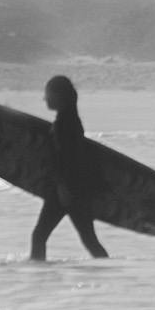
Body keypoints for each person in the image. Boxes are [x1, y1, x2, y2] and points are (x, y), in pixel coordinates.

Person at [29, 71, 107, 263]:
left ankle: (38, 276)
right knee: (89, 241)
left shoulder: (65, 123)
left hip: (66, 190)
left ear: (59, 96)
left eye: (48, 94)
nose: (45, 98)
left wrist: (62, 187)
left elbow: (66, 158)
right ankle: (109, 273)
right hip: (75, 189)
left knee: (39, 236)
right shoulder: (70, 119)